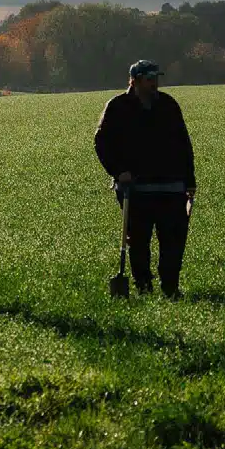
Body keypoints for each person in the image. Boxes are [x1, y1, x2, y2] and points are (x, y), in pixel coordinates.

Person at [94, 60, 196, 299]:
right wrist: (118, 171)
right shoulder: (117, 107)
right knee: (139, 242)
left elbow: (184, 143)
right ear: (135, 80)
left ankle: (170, 287)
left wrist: (189, 180)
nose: (154, 83)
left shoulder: (169, 105)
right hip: (135, 188)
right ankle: (144, 287)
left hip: (171, 186)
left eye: (156, 79)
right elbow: (101, 142)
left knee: (173, 241)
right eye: (149, 79)